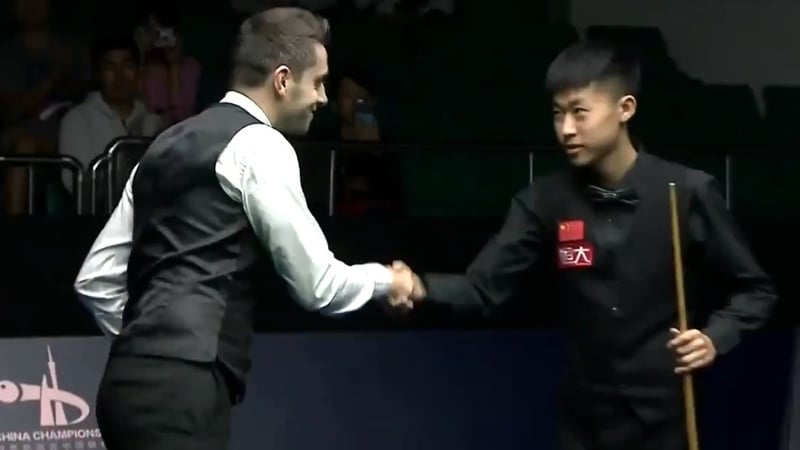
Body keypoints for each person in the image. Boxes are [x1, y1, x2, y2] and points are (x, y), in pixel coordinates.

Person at [391, 40, 777, 450]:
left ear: (625, 109)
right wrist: (421, 286)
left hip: (667, 419)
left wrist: (714, 337)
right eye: (557, 114)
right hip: (583, 422)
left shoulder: (685, 192)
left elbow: (756, 290)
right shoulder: (543, 201)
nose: (566, 129)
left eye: (580, 112)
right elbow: (483, 288)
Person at [74, 8, 415, 450]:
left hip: (123, 388)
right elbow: (318, 286)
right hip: (183, 391)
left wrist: (151, 347)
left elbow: (95, 279)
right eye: (318, 82)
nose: (323, 98)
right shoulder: (260, 145)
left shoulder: (162, 144)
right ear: (282, 80)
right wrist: (389, 280)